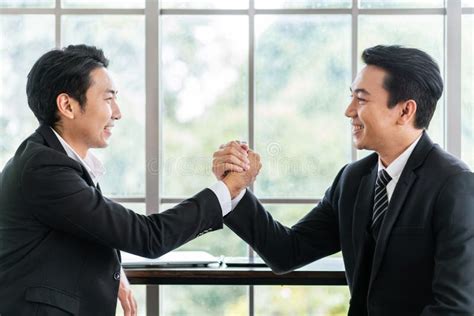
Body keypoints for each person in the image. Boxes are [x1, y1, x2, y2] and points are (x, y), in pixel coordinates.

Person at [213, 45, 474, 315]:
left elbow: (455, 308)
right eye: (352, 97)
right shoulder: (352, 180)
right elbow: (287, 252)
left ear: (405, 111)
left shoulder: (455, 184)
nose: (349, 111)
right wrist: (234, 190)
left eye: (361, 99)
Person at [0, 45, 258, 316]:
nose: (118, 112)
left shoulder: (48, 157)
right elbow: (148, 237)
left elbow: (80, 228)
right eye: (108, 99)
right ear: (67, 105)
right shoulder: (46, 168)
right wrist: (229, 188)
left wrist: (110, 268)